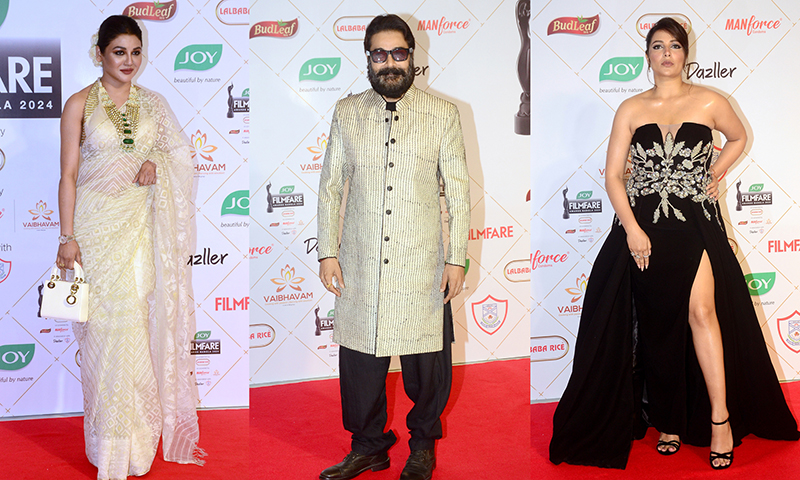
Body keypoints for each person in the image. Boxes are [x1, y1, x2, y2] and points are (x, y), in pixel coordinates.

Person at [549, 17, 799, 470]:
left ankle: (720, 419)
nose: (667, 53)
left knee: (702, 313)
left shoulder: (710, 101)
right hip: (643, 228)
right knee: (657, 323)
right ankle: (667, 419)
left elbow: (739, 137)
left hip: (696, 226)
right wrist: (632, 229)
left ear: (686, 54)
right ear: (647, 56)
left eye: (675, 46)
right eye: (658, 46)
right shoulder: (630, 108)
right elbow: (613, 175)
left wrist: (715, 171)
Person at [316, 14, 470, 480]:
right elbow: (330, 187)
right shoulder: (347, 112)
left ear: (412, 56)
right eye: (379, 54)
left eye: (398, 53)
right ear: (368, 59)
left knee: (427, 366)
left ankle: (422, 447)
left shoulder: (442, 114)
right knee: (361, 366)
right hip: (361, 262)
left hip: (421, 266)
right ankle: (369, 447)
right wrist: (327, 251)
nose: (389, 63)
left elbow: (458, 192)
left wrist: (456, 259)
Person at [56, 15, 204, 479]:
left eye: (136, 52)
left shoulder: (154, 104)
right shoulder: (79, 103)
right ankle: (109, 448)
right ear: (99, 53)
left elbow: (181, 156)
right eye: (119, 52)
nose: (129, 61)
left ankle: (135, 447)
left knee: (134, 330)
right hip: (94, 231)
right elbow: (68, 175)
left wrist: (155, 160)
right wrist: (66, 237)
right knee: (105, 336)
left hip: (139, 231)